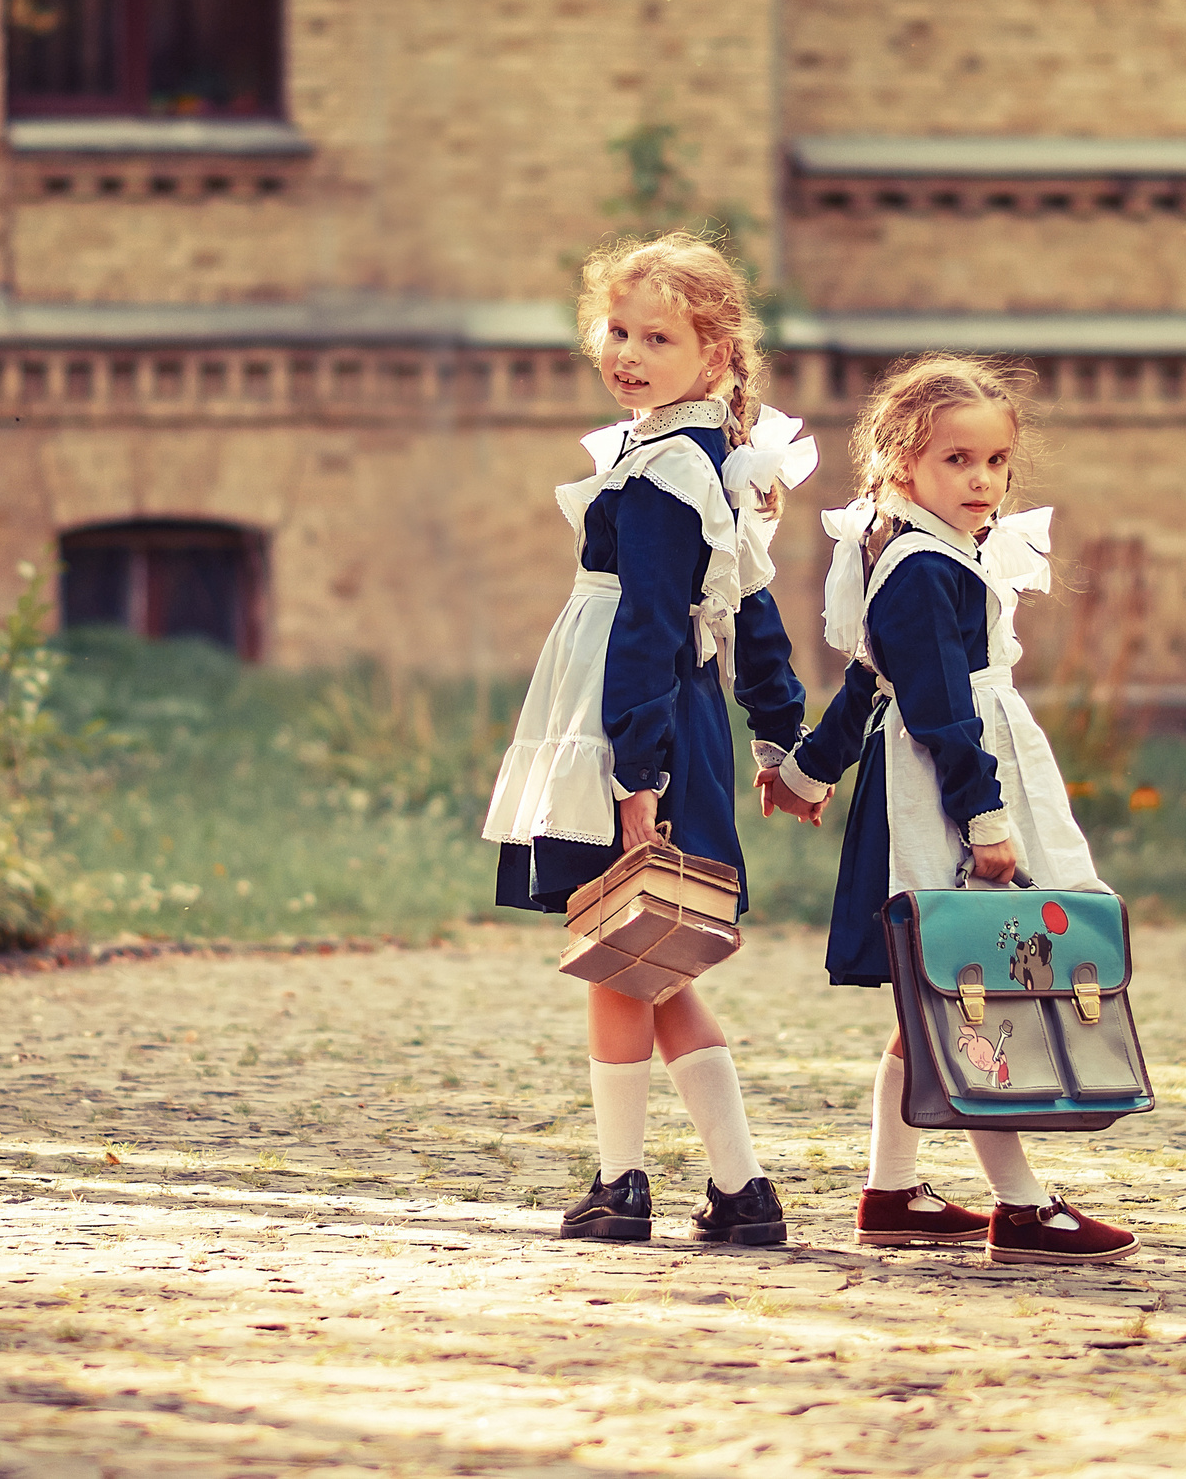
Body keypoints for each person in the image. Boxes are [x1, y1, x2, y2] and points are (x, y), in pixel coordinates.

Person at [481, 232, 823, 1247]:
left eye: (657, 337)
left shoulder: (671, 466)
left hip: (633, 730)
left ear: (713, 356)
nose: (626, 352)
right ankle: (741, 1189)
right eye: (617, 330)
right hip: (666, 722)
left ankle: (621, 1184)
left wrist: (636, 777)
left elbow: (647, 624)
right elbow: (753, 616)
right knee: (655, 961)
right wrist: (776, 743)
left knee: (619, 957)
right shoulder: (699, 454)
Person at [768, 355, 1140, 1266]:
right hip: (942, 801)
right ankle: (1020, 1206)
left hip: (951, 784)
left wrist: (812, 774)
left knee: (932, 997)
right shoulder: (920, 567)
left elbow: (870, 684)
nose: (981, 480)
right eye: (956, 461)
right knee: (974, 994)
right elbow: (934, 710)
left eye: (995, 462)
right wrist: (985, 822)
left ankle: (890, 1194)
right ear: (900, 462)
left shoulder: (922, 554)